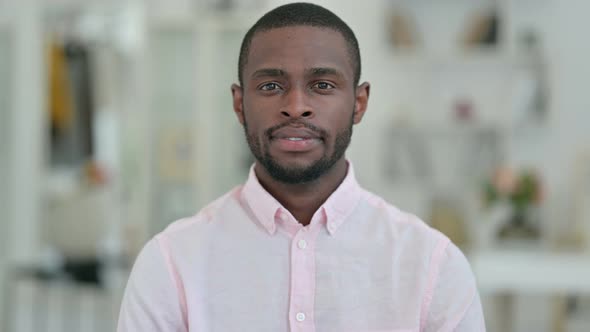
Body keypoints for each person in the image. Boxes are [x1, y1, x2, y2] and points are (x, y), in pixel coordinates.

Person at [117, 3, 485, 331]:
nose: (296, 106)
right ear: (239, 103)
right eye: (271, 85)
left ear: (359, 103)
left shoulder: (432, 265)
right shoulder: (171, 263)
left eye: (322, 85)